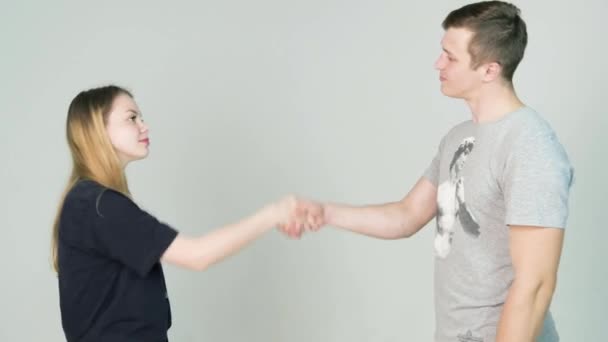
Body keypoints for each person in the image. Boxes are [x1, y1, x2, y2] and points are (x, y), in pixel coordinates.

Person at [282, 2, 573, 341]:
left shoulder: (530, 145)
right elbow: (407, 215)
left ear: (489, 70)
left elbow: (535, 285)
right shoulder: (459, 138)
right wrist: (325, 213)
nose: (438, 64)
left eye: (451, 57)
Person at [51, 85, 323, 342]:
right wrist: (275, 213)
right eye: (131, 118)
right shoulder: (99, 205)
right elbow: (196, 255)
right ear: (97, 128)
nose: (144, 126)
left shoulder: (90, 202)